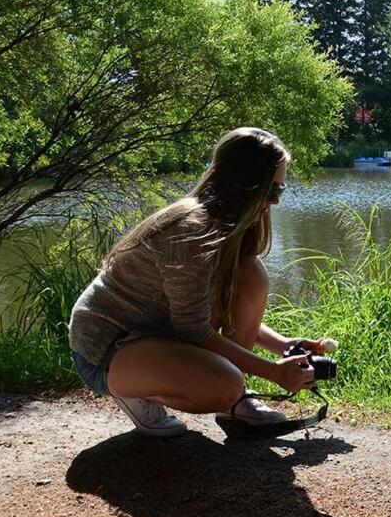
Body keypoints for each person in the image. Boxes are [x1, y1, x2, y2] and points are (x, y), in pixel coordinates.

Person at [68, 127, 325, 437]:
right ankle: (138, 391)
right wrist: (274, 372)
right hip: (105, 349)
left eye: (280, 191)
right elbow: (194, 330)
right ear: (245, 185)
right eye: (272, 191)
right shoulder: (191, 231)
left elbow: (208, 311)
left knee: (251, 275)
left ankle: (233, 404)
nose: (276, 202)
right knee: (226, 384)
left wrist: (282, 345)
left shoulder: (223, 230)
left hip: (154, 332)